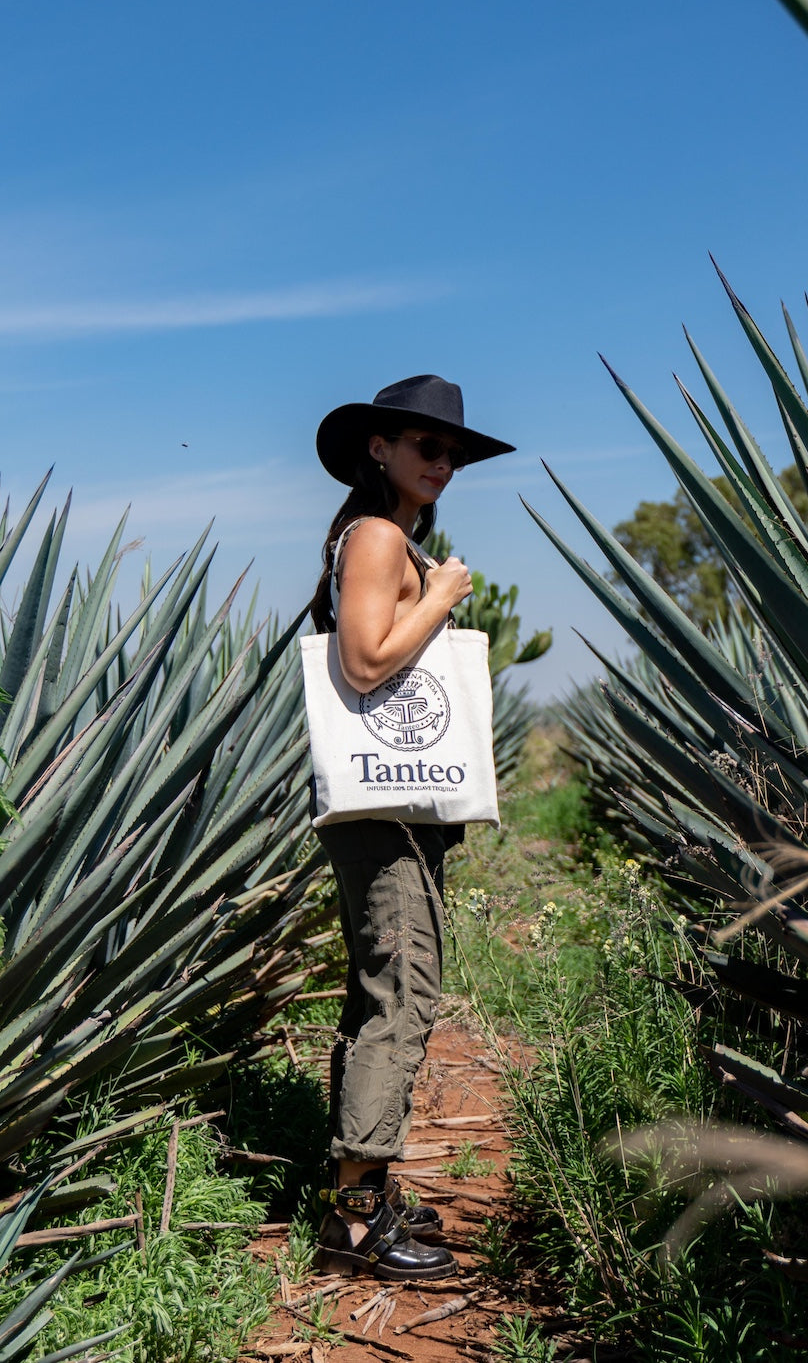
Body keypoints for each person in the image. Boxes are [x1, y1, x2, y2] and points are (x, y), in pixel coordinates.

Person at [309, 375, 514, 1280]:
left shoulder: (384, 537)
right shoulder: (381, 536)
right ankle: (357, 1221)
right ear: (379, 450)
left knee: (380, 987)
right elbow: (362, 662)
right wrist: (442, 597)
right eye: (425, 447)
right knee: (403, 988)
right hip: (380, 807)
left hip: (391, 803)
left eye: (452, 454)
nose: (443, 463)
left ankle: (364, 1184)